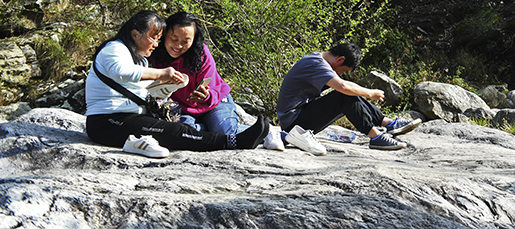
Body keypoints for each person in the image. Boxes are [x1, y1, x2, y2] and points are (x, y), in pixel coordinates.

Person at [84, 10, 270, 158]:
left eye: (158, 39)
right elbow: (122, 72)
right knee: (177, 131)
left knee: (177, 130)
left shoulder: (139, 58)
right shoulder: (115, 48)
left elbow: (141, 91)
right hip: (107, 121)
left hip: (129, 118)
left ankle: (243, 137)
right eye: (154, 38)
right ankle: (232, 142)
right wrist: (162, 74)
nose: (156, 44)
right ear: (135, 34)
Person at [149, 11, 280, 148]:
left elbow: (212, 88)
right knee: (185, 134)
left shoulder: (201, 54)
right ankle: (210, 131)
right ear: (164, 35)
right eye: (174, 39)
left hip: (214, 103)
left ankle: (273, 134)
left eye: (185, 41)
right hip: (182, 109)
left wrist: (206, 95)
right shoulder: (154, 53)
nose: (178, 46)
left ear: (194, 40)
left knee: (225, 132)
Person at [275, 42, 421, 154]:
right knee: (343, 94)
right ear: (340, 59)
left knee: (347, 93)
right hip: (293, 125)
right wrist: (370, 93)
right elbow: (343, 87)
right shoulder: (315, 64)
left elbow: (345, 86)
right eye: (343, 70)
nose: (340, 74)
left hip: (300, 117)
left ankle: (387, 123)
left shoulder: (317, 59)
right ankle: (375, 137)